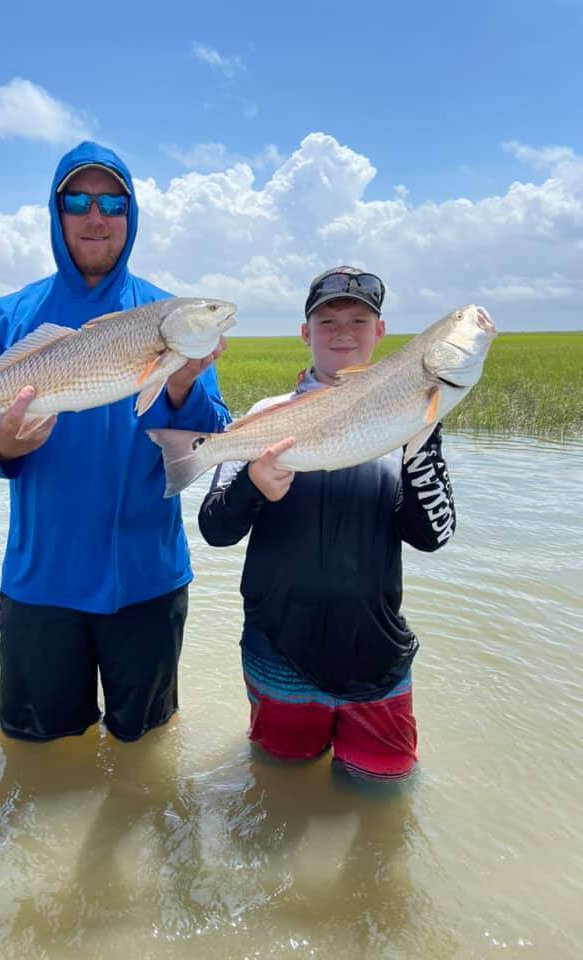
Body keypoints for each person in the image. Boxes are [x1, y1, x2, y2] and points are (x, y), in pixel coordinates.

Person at [0, 141, 229, 743]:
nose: (96, 216)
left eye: (113, 202)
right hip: (40, 583)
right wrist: (1, 444)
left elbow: (211, 437)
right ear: (56, 212)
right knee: (36, 755)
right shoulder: (4, 317)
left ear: (131, 216)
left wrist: (184, 386)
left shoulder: (169, 315)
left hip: (149, 581)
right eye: (78, 200)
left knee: (150, 750)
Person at [198, 266, 456, 782]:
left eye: (358, 320)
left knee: (383, 802)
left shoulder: (412, 416)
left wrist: (421, 445)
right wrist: (253, 484)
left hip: (377, 661)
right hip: (278, 657)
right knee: (278, 795)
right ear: (305, 332)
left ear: (380, 332)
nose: (343, 331)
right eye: (328, 319)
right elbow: (214, 528)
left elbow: (433, 536)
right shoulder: (265, 415)